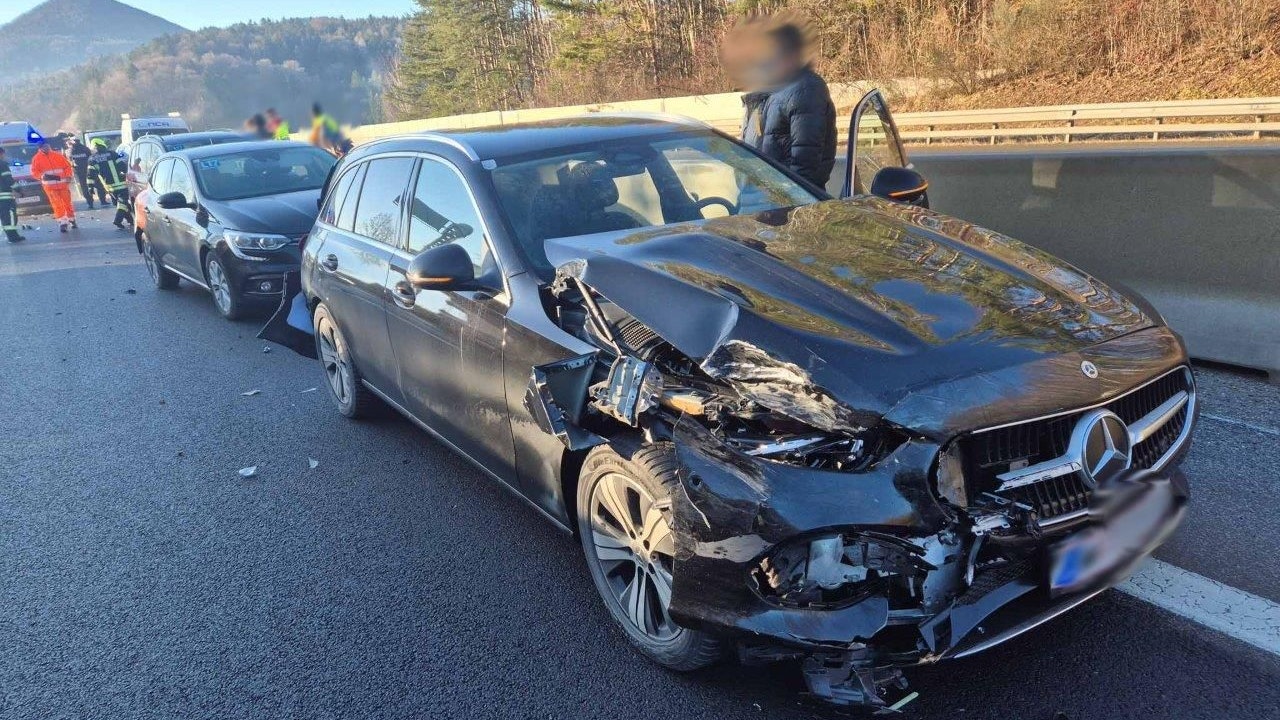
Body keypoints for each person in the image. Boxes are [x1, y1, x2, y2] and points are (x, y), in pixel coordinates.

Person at [730, 20, 836, 189]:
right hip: (760, 196)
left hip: (787, 198)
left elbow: (805, 161)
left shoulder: (805, 88)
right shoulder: (764, 91)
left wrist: (790, 198)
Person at [30, 140, 76, 233]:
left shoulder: (57, 155)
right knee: (57, 205)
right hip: (50, 187)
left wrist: (68, 176)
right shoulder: (36, 158)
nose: (47, 148)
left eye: (48, 146)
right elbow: (34, 172)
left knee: (67, 203)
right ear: (40, 148)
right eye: (44, 146)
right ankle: (62, 222)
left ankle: (71, 219)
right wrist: (41, 176)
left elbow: (67, 166)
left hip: (63, 184)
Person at [86, 138, 132, 230]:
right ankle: (118, 220)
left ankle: (130, 220)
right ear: (103, 145)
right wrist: (128, 173)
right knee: (122, 203)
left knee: (122, 204)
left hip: (109, 187)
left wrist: (90, 187)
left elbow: (90, 174)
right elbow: (122, 166)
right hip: (121, 183)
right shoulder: (112, 154)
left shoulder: (92, 159)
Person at [0, 146, 28, 243]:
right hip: (4, 196)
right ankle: (13, 237)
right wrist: (19, 190)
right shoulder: (2, 164)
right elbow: (8, 180)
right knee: (10, 216)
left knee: (4, 217)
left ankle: (11, 236)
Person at [66, 137, 95, 209]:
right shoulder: (85, 149)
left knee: (85, 187)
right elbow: (91, 158)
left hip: (80, 172)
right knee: (91, 185)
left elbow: (70, 162)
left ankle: (90, 202)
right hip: (88, 170)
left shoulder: (71, 151)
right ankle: (95, 200)